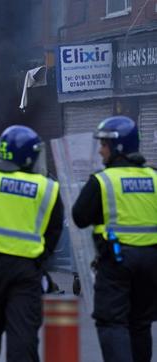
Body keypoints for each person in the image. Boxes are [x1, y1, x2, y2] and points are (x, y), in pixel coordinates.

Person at [0, 125, 64, 362]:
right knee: (23, 338)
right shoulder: (47, 188)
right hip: (27, 271)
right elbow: (54, 228)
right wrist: (40, 256)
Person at [72, 116, 157, 362]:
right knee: (140, 324)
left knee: (112, 322)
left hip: (117, 261)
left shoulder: (103, 181)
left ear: (118, 147)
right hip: (151, 263)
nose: (100, 150)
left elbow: (79, 217)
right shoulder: (154, 177)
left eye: (104, 144)